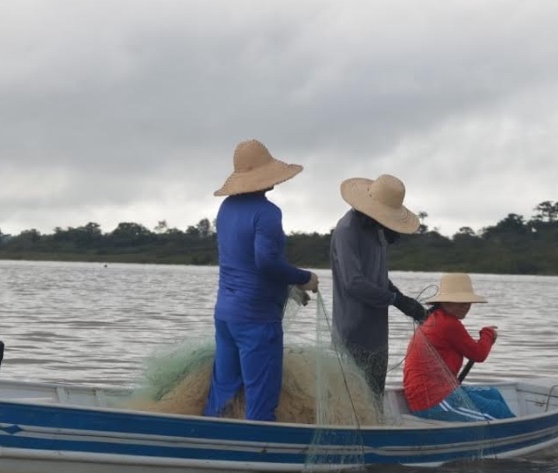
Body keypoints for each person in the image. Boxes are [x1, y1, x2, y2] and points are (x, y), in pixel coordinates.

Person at [204, 139, 319, 422]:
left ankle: (207, 439)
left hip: (226, 316)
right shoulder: (267, 212)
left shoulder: (226, 209)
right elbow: (265, 262)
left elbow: (244, 260)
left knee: (223, 391)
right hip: (256, 318)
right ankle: (260, 453)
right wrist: (304, 278)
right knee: (261, 397)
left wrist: (289, 286)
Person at [330, 174, 426, 395]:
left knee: (374, 395)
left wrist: (405, 302)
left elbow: (378, 278)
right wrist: (394, 299)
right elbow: (354, 282)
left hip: (377, 334)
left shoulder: (377, 232)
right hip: (351, 332)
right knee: (353, 397)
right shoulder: (347, 231)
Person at [402, 273, 514, 421]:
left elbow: (471, 349)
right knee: (496, 411)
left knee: (493, 393)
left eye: (467, 301)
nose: (466, 306)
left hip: (441, 390)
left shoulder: (437, 318)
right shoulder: (448, 324)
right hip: (433, 400)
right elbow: (479, 354)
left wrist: (486, 336)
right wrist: (488, 334)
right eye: (459, 301)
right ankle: (519, 433)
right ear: (444, 302)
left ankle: (513, 429)